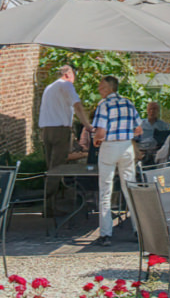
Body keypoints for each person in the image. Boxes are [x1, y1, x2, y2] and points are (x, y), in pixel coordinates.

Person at [91, 75, 142, 248]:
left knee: (105, 190)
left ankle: (105, 234)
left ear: (110, 88)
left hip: (110, 146)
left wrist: (96, 140)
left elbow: (101, 131)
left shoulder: (104, 105)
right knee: (131, 188)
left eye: (102, 87)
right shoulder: (128, 103)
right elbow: (138, 129)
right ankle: (138, 230)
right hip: (127, 147)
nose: (99, 89)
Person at [38, 64, 92, 218]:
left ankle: (49, 205)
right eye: (74, 75)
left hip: (46, 130)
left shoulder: (49, 88)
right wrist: (87, 125)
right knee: (57, 169)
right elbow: (78, 106)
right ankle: (49, 208)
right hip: (60, 130)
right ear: (68, 74)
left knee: (50, 168)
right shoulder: (66, 85)